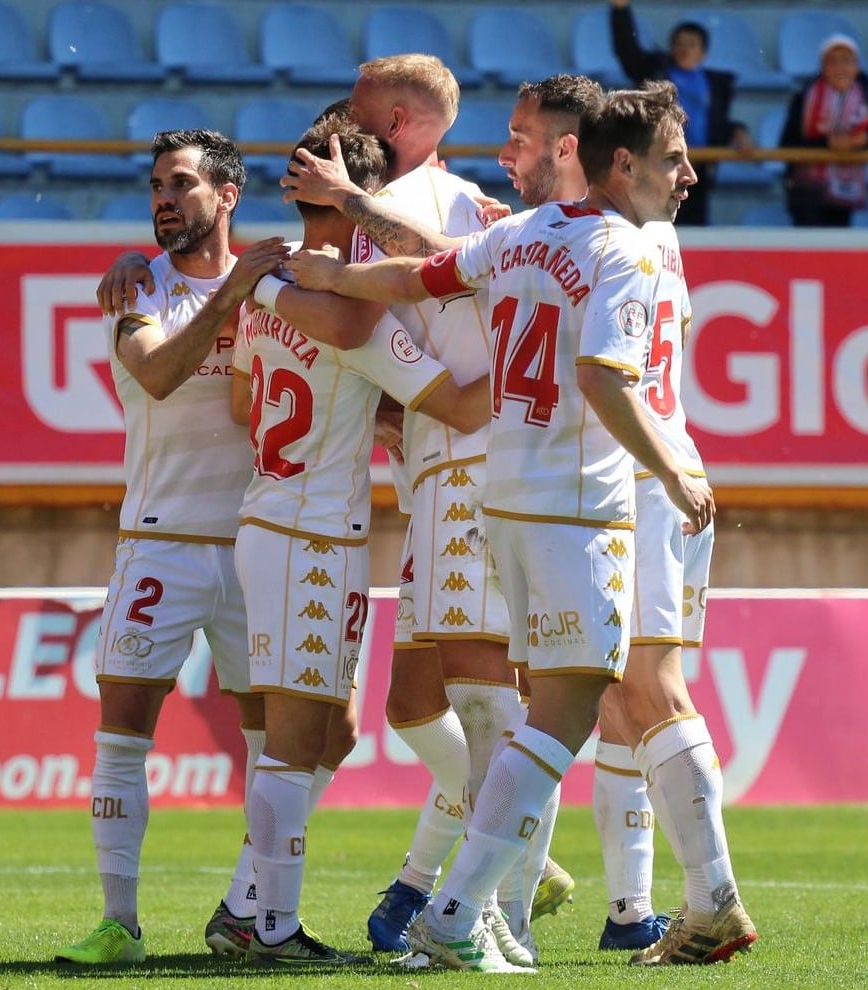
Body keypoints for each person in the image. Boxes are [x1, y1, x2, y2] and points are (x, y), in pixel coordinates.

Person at [286, 80, 721, 972]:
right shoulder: (627, 251)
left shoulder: (519, 234)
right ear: (621, 165)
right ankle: (465, 909)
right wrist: (671, 465)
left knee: (542, 709)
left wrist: (329, 271)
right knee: (560, 713)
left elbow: (421, 272)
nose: (690, 178)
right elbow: (604, 377)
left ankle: (467, 900)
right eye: (675, 161)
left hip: (505, 500)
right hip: (582, 503)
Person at [278, 66, 600, 963]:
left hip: (475, 462)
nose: (337, 118)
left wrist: (339, 215)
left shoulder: (447, 199)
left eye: (354, 100)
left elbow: (448, 271)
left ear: (390, 115)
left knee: (491, 702)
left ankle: (499, 915)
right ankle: (493, 879)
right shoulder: (386, 206)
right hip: (431, 469)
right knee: (420, 704)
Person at [227, 113, 491, 966]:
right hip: (312, 533)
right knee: (296, 741)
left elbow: (243, 405)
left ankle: (247, 907)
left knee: (318, 735)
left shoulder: (266, 284)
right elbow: (454, 403)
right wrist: (545, 370)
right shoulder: (352, 307)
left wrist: (354, 407)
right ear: (366, 197)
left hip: (270, 514)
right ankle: (269, 927)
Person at [54, 129, 289, 965]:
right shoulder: (137, 289)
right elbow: (156, 375)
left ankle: (245, 907)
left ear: (227, 196)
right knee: (122, 733)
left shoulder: (283, 285)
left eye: (181, 183)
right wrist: (235, 295)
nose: (163, 197)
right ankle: (119, 922)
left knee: (282, 744)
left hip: (262, 546)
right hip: (161, 543)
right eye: (156, 184)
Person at [591, 214, 757, 964]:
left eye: (524, 137)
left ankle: (713, 900)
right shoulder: (660, 239)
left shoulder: (594, 237)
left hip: (636, 482)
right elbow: (677, 330)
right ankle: (635, 908)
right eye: (678, 160)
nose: (691, 177)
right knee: (625, 702)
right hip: (674, 467)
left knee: (649, 691)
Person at [609, 0, 751, 226]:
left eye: (691, 44)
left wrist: (738, 130)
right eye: (679, 43)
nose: (684, 49)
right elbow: (627, 50)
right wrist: (620, 10)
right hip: (659, 167)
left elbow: (714, 125)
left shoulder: (717, 85)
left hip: (698, 170)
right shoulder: (656, 73)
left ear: (703, 53)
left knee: (695, 232)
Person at [780, 34, 868, 227]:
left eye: (847, 61)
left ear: (857, 67)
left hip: (844, 192)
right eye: (833, 61)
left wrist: (858, 142)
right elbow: (787, 145)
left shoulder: (866, 100)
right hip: (806, 191)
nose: (841, 68)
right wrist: (829, 144)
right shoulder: (803, 98)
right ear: (822, 66)